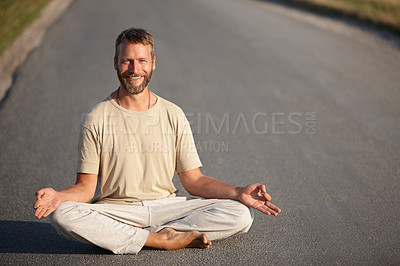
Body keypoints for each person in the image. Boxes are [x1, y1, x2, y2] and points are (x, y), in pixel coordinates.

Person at [33, 27, 281, 254]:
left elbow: (194, 181)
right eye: (127, 61)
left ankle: (143, 236)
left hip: (168, 208)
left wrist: (238, 192)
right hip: (119, 212)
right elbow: (86, 189)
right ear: (116, 64)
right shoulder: (95, 118)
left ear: (152, 64)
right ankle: (160, 239)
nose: (134, 69)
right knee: (63, 215)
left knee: (240, 213)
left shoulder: (173, 113)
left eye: (141, 61)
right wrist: (59, 196)